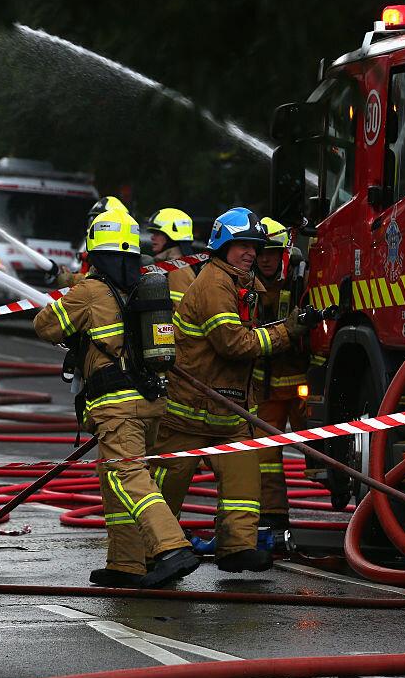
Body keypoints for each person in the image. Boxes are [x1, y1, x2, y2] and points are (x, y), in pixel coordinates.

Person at [35, 207, 198, 589]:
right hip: (150, 399)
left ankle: (172, 548)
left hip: (116, 403)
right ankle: (126, 563)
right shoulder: (145, 282)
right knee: (114, 479)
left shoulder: (91, 290)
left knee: (127, 475)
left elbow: (44, 326)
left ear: (96, 249)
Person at [153, 207, 305, 572]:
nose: (251, 253)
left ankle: (236, 547)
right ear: (222, 245)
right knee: (165, 488)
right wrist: (287, 332)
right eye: (243, 246)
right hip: (189, 412)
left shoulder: (246, 283)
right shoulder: (213, 284)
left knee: (243, 485)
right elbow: (233, 344)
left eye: (255, 247)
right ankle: (150, 549)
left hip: (230, 412)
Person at [252, 218, 309, 531]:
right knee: (265, 454)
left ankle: (358, 509)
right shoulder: (247, 286)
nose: (265, 258)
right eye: (260, 251)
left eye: (272, 252)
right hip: (268, 387)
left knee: (322, 451)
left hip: (302, 383)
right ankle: (273, 514)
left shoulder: (303, 283)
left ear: (285, 253)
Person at [52, 196, 127, 289]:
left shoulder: (121, 254)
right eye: (93, 221)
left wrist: (73, 279)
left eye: (100, 222)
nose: (94, 226)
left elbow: (103, 283)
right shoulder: (92, 247)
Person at [146, 208, 196, 313]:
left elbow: (181, 313)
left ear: (172, 237)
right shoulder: (172, 265)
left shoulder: (178, 270)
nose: (152, 238)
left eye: (157, 233)